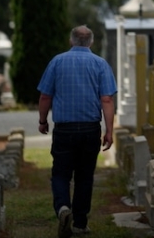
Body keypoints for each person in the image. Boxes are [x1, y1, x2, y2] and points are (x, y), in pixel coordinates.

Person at [37, 25, 117, 238]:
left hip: (64, 129)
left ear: (71, 41)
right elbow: (107, 99)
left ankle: (63, 207)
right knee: (84, 176)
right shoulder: (100, 64)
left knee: (61, 173)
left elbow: (45, 96)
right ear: (91, 42)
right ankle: (80, 223)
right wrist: (109, 130)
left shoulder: (57, 61)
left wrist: (43, 121)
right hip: (90, 129)